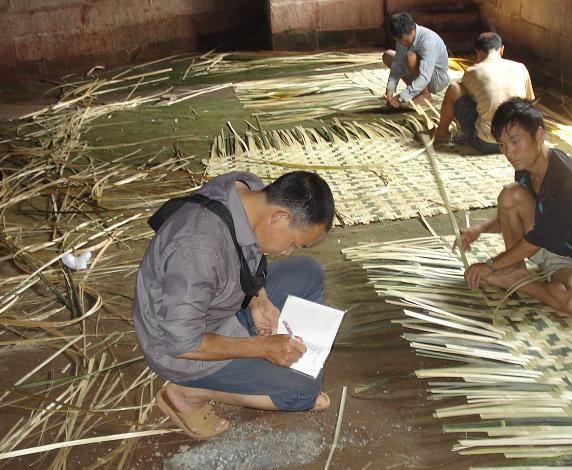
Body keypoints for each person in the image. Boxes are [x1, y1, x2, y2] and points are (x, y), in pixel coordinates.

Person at [133, 171, 335, 438]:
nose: (288, 251)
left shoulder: (246, 190)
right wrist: (262, 348)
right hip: (180, 346)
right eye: (294, 242)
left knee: (308, 271)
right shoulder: (197, 248)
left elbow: (247, 256)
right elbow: (182, 342)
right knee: (302, 391)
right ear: (280, 218)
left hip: (219, 303)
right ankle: (189, 393)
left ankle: (275, 358)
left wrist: (258, 299)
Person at [456, 98, 572, 316]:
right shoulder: (526, 169)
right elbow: (532, 220)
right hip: (543, 245)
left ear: (538, 135)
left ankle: (517, 280)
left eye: (515, 142)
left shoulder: (570, 180)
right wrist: (479, 229)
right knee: (511, 194)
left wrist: (491, 266)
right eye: (502, 144)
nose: (509, 152)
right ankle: (516, 270)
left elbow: (537, 240)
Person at [435, 32, 535, 154]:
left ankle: (442, 133)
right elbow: (529, 103)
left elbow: (468, 99)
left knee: (454, 87)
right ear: (502, 49)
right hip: (518, 142)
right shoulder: (521, 67)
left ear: (477, 52)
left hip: (486, 143)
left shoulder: (473, 71)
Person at [382, 12, 450, 109]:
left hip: (435, 78)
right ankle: (415, 90)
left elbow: (425, 76)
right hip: (419, 75)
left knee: (410, 56)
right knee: (388, 55)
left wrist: (401, 97)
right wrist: (390, 89)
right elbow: (397, 64)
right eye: (399, 41)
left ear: (413, 28)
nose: (403, 44)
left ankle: (425, 95)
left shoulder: (428, 41)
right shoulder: (401, 38)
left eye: (406, 40)